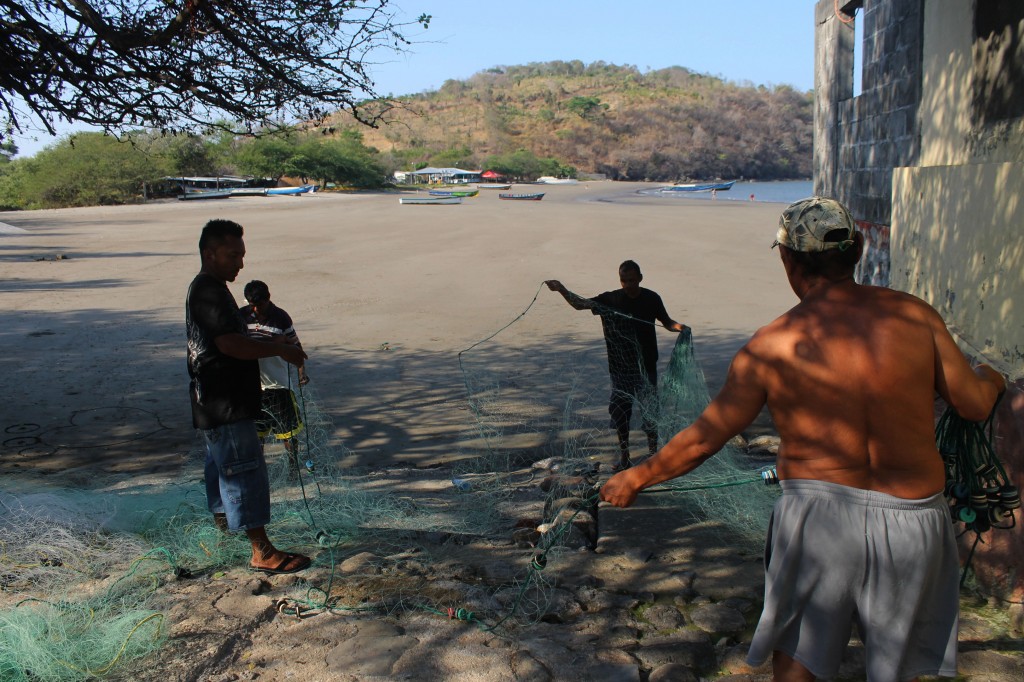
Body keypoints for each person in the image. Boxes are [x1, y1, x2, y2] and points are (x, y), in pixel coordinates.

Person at [600, 197, 1006, 681]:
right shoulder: (916, 317)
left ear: (788, 260)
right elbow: (974, 404)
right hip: (914, 519)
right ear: (858, 249)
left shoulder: (772, 344)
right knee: (895, 666)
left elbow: (705, 439)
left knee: (799, 660)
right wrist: (991, 377)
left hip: (818, 519)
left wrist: (636, 478)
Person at [186, 219, 312, 575]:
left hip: (214, 401)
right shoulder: (208, 291)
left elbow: (231, 338)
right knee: (243, 470)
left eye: (242, 255)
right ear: (210, 254)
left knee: (221, 465)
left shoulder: (213, 288)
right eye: (233, 255)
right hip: (224, 401)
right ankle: (262, 552)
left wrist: (276, 342)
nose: (241, 263)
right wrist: (281, 350)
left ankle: (224, 528)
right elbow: (230, 344)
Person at [545, 261, 688, 471]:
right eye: (624, 280)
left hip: (646, 367)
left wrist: (680, 327)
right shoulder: (611, 299)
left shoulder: (651, 298)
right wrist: (561, 289)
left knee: (650, 413)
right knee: (621, 415)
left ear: (640, 278)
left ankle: (653, 455)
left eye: (632, 280)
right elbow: (580, 304)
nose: (628, 285)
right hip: (620, 369)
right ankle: (624, 457)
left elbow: (666, 321)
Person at [240, 280, 309, 476]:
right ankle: (258, 470)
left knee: (287, 432)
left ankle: (293, 468)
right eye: (251, 304)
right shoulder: (241, 316)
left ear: (268, 299)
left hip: (279, 384)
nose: (255, 309)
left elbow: (296, 346)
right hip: (252, 385)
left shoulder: (281, 318)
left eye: (259, 305)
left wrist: (301, 371)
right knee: (256, 434)